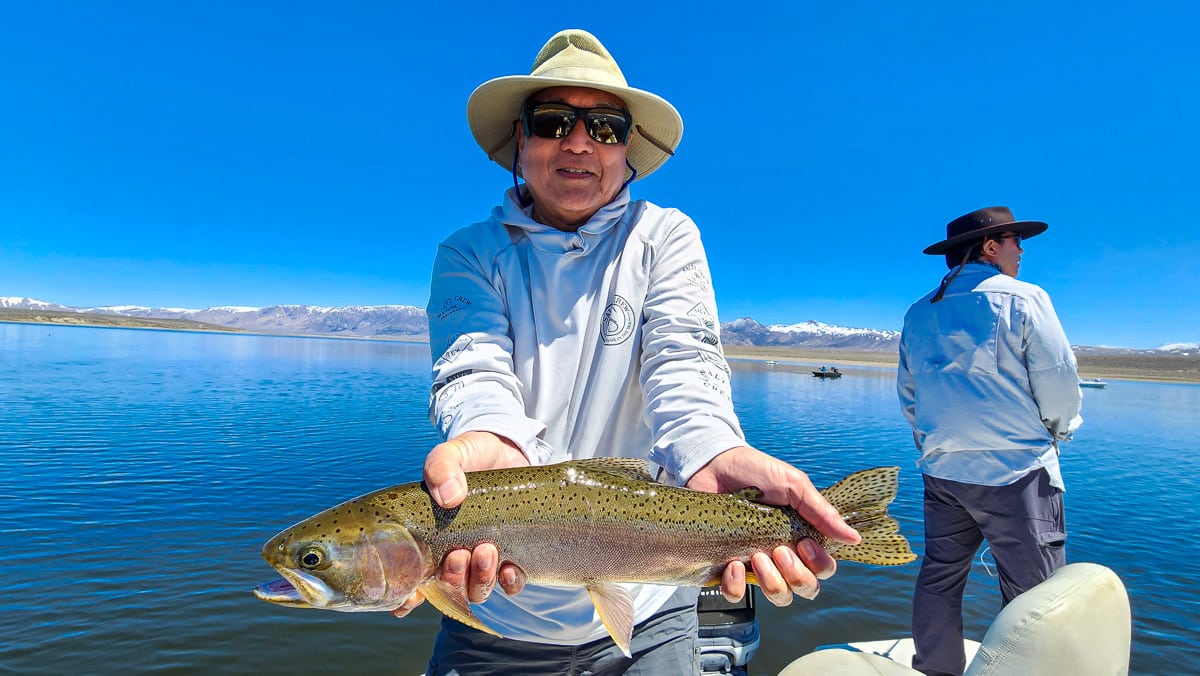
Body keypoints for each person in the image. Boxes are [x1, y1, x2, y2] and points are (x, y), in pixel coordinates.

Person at [405, 28, 861, 675]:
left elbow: (686, 369)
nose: (579, 141)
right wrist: (490, 441)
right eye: (554, 121)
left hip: (653, 607)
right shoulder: (470, 253)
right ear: (521, 141)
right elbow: (474, 369)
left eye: (606, 126)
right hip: (492, 612)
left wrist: (715, 452)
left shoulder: (664, 237)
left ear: (628, 151)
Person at [897, 206, 1083, 676]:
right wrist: (1058, 431)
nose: (1021, 251)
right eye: (1016, 241)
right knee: (1034, 594)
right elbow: (1058, 380)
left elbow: (910, 393)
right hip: (1017, 471)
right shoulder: (1025, 299)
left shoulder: (919, 313)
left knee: (939, 580)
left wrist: (933, 444)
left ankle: (936, 670)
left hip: (943, 473)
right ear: (990, 246)